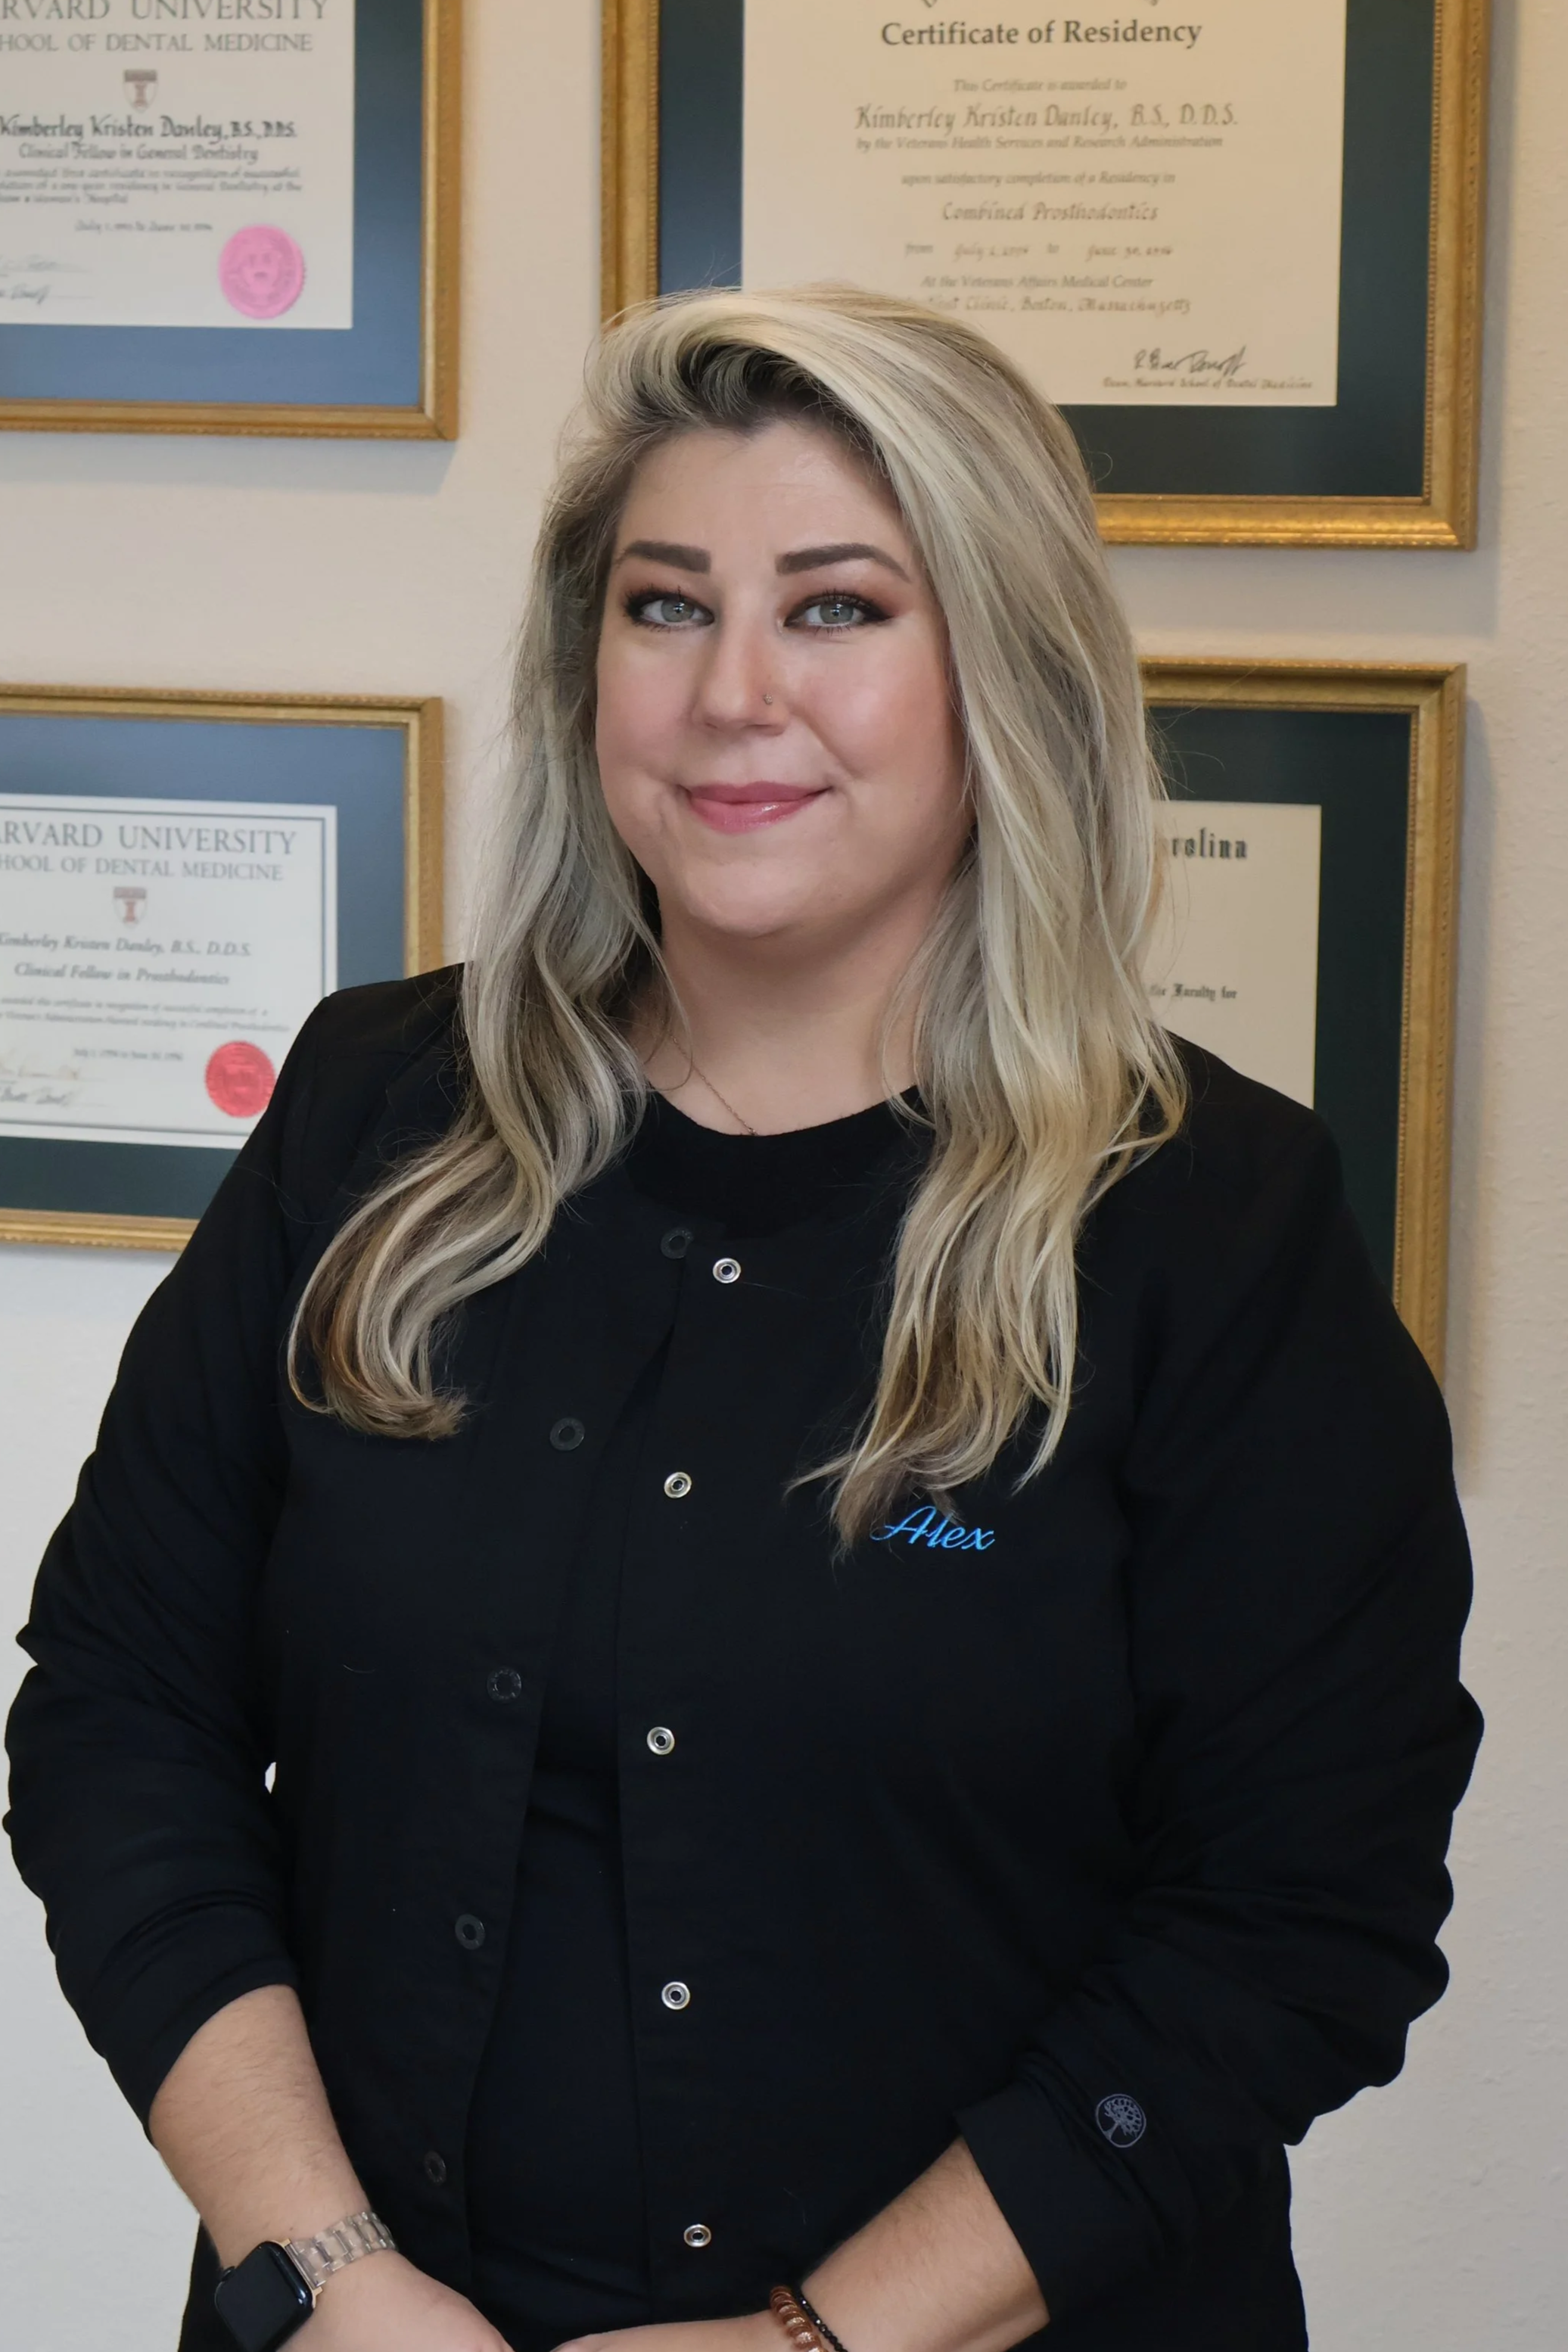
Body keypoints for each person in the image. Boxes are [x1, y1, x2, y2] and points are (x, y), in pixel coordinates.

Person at [5, 288, 1480, 2352]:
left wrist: (817, 2344)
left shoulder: (1214, 1230)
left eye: (842, 608)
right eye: (666, 604)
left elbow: (1296, 1919)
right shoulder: (371, 1116)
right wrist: (324, 2273)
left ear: (1006, 673)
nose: (732, 694)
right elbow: (116, 1710)